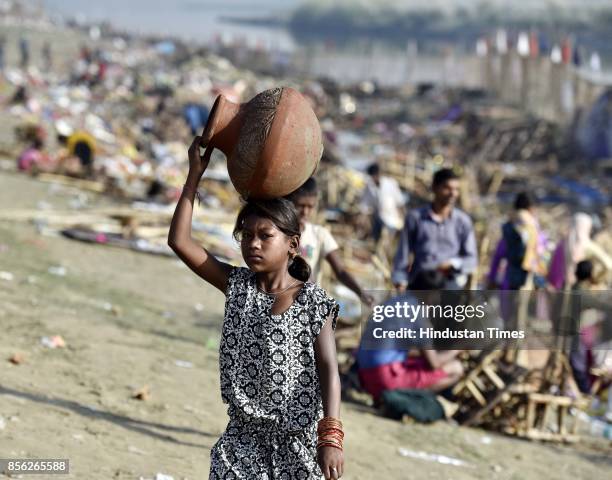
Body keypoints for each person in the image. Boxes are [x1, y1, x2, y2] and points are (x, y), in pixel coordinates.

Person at [168, 136, 345, 480]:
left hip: (299, 446)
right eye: (246, 235)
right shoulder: (237, 287)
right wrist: (194, 177)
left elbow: (329, 369)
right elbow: (180, 241)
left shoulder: (313, 303)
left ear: (292, 245)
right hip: (241, 443)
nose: (253, 243)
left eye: (265, 236)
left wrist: (331, 436)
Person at [356, 270, 464, 404]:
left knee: (419, 361)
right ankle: (401, 399)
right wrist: (458, 349)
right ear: (431, 294)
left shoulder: (393, 301)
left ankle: (387, 397)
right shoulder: (418, 315)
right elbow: (434, 364)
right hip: (383, 380)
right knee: (456, 368)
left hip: (365, 376)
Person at [286, 178, 374, 305]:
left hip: (309, 302)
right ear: (291, 203)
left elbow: (340, 271)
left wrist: (361, 292)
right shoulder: (281, 235)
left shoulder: (319, 234)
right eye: (300, 205)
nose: (305, 212)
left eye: (310, 207)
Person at [392, 168, 477, 291]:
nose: (453, 193)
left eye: (456, 189)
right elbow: (403, 254)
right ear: (435, 188)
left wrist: (452, 264)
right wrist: (400, 279)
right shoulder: (416, 218)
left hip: (450, 287)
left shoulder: (463, 221)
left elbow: (471, 260)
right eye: (447, 188)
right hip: (420, 286)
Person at [548, 212, 612, 291]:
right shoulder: (588, 245)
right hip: (580, 286)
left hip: (560, 285)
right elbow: (609, 265)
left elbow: (552, 266)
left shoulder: (562, 244)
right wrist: (595, 278)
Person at [496, 192, 546, 290]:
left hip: (512, 271)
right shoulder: (525, 224)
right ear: (529, 207)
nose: (535, 211)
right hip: (521, 272)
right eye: (534, 207)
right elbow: (525, 249)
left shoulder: (511, 222)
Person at [359, 163, 406, 243]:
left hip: (392, 218)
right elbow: (365, 206)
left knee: (390, 241)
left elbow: (400, 202)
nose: (372, 179)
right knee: (377, 240)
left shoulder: (390, 184)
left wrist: (404, 217)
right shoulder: (369, 187)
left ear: (378, 174)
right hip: (378, 219)